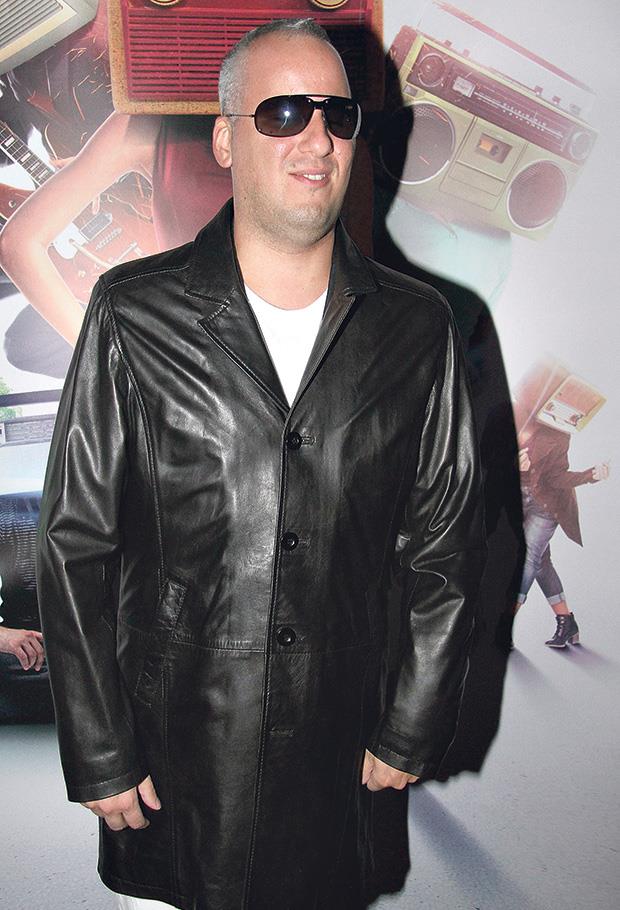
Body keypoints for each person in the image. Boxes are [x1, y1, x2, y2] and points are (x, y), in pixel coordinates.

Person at [36, 18, 486, 910]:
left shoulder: (416, 327)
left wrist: (411, 722)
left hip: (336, 752)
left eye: (337, 115)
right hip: (171, 760)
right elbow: (76, 544)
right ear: (223, 138)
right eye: (282, 113)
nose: (316, 140)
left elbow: (445, 548)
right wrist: (98, 747)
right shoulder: (133, 314)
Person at [514, 403, 609, 648]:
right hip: (514, 499)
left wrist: (589, 476)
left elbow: (556, 476)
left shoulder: (557, 428)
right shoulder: (511, 413)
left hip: (546, 504)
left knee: (527, 557)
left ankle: (502, 625)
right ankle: (567, 623)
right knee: (541, 564)